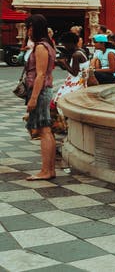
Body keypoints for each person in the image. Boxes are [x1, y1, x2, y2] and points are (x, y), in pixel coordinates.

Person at [23, 14, 56, 181]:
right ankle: (50, 169)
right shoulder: (47, 45)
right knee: (46, 130)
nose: (27, 31)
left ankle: (45, 170)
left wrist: (33, 98)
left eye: (29, 27)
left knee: (44, 130)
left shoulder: (41, 47)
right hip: (44, 90)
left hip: (41, 91)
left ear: (34, 28)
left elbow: (40, 74)